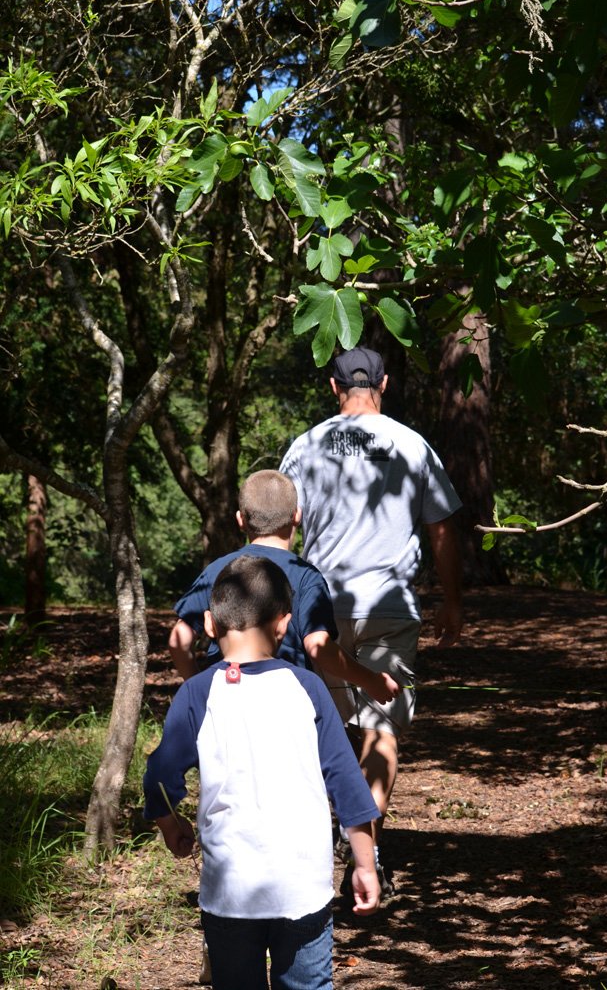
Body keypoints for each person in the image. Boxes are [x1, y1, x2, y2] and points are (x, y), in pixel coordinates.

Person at [144, 555, 381, 990]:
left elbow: (160, 774)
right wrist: (365, 864)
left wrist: (170, 824)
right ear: (284, 625)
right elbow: (347, 781)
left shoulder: (197, 693)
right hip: (302, 888)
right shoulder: (308, 688)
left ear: (209, 624)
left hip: (229, 892)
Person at [280, 347, 463, 893]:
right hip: (389, 606)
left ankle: (332, 837)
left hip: (322, 607)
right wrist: (452, 601)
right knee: (381, 731)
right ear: (384, 384)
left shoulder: (306, 446)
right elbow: (442, 527)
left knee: (329, 729)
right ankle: (367, 850)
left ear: (333, 388)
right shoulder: (413, 445)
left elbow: (281, 526)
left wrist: (276, 605)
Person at [169, 469, 401, 706]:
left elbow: (179, 638)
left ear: (240, 519)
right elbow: (318, 646)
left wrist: (197, 688)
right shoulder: (306, 577)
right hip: (287, 704)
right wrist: (370, 680)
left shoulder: (218, 570)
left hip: (224, 700)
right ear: (297, 516)